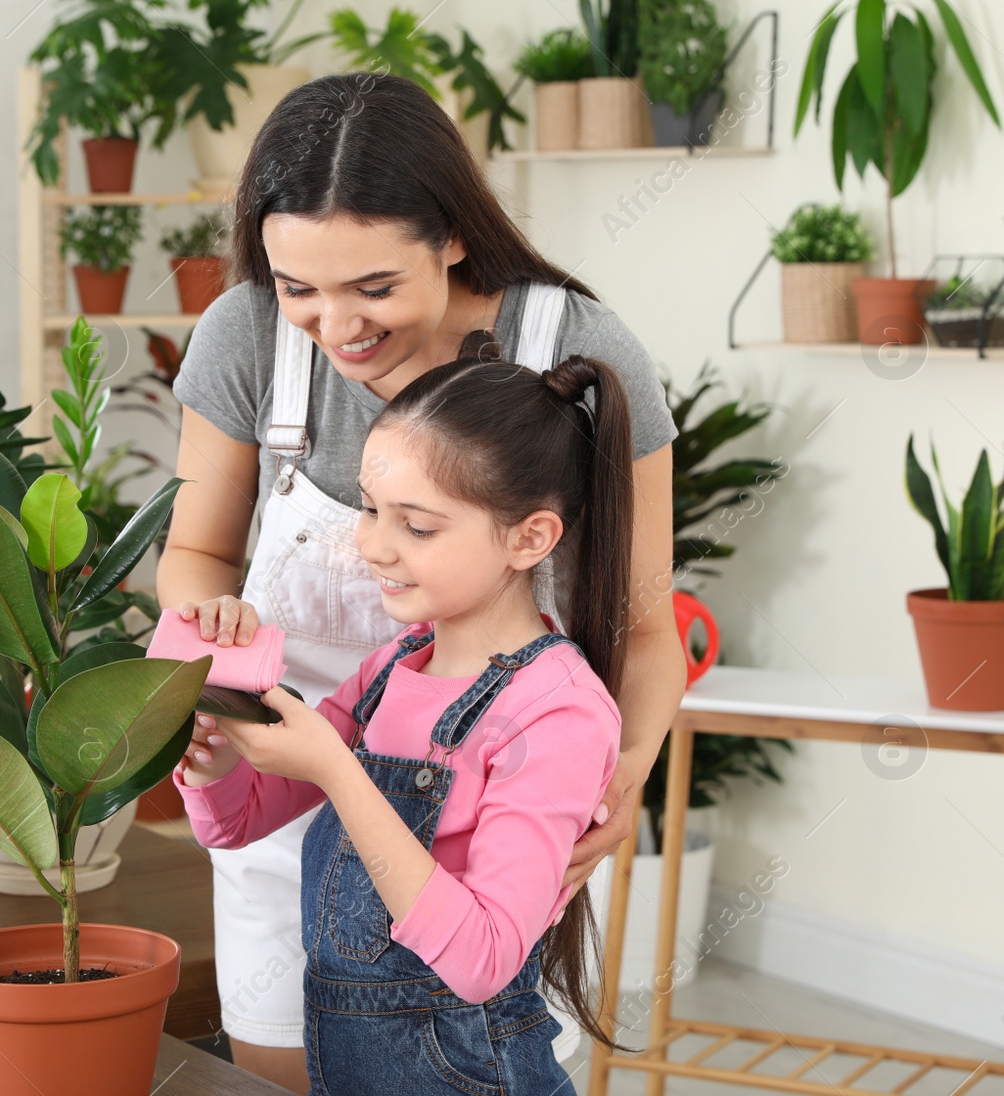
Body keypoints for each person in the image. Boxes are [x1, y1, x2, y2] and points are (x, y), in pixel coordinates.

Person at [155, 72, 687, 1091]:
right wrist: (205, 660)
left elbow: (644, 624)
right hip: (294, 772)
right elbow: (198, 553)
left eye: (373, 288)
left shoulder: (574, 349)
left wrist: (619, 780)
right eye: (296, 286)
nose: (333, 327)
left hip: (498, 803)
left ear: (450, 235)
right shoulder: (247, 332)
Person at [173, 352, 640, 1095]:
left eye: (416, 526)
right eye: (368, 507)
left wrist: (336, 769)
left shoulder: (556, 713)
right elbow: (236, 824)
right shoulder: (392, 668)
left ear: (530, 538)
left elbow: (484, 960)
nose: (372, 546)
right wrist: (216, 755)